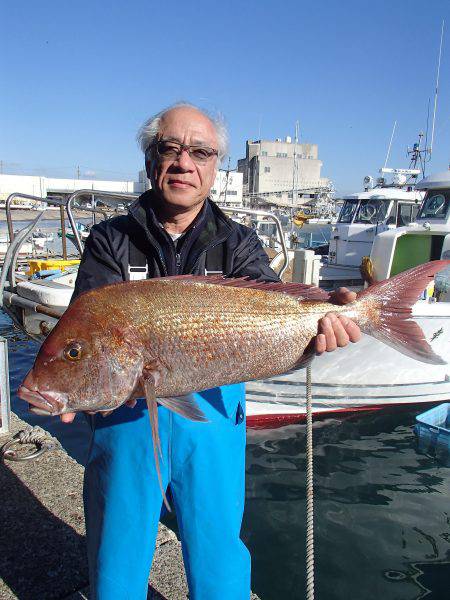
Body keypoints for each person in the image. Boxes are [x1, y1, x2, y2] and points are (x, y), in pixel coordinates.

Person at [64, 103, 361, 600]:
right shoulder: (109, 241)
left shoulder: (238, 244)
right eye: (170, 149)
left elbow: (275, 317)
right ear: (150, 159)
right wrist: (72, 388)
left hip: (216, 416)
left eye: (200, 152)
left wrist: (321, 329)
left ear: (216, 167)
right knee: (115, 557)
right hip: (127, 417)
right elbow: (85, 340)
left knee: (218, 553)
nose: (184, 163)